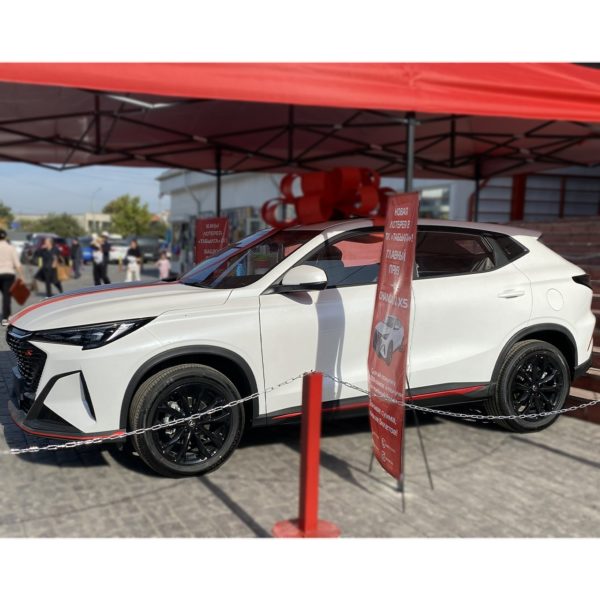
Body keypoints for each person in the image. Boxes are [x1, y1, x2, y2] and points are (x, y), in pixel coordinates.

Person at [0, 230, 24, 326]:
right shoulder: (11, 248)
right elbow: (17, 264)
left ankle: (6, 315)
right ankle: (5, 318)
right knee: (7, 296)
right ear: (5, 237)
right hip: (9, 274)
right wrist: (21, 276)